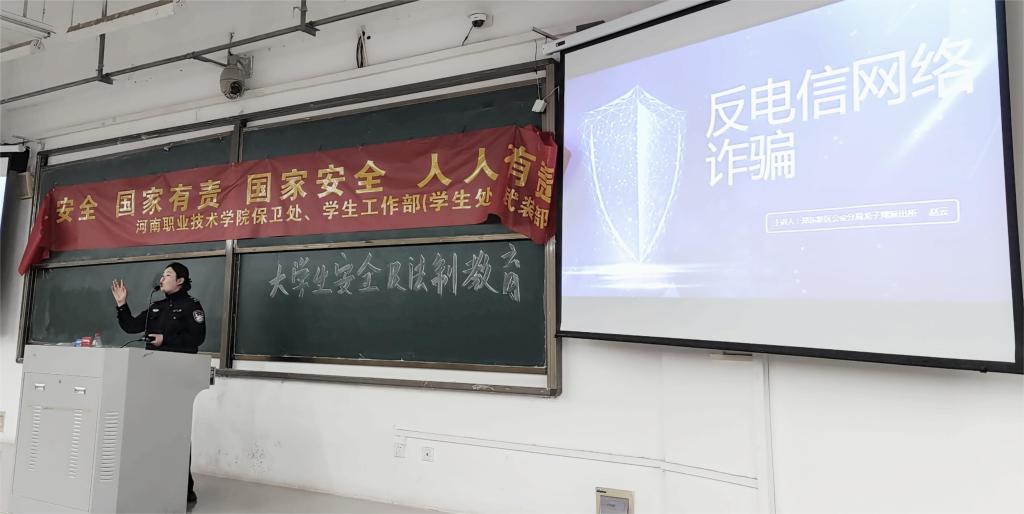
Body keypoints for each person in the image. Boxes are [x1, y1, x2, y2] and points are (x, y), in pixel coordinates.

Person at [111, 262, 204, 504]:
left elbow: (197, 337)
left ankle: (185, 486)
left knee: (176, 431)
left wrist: (166, 338)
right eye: (162, 275)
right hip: (151, 375)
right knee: (151, 429)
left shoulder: (191, 306)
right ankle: (153, 480)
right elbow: (131, 326)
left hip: (177, 377)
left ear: (180, 280)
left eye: (167, 275)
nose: (162, 279)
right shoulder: (157, 307)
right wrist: (122, 304)